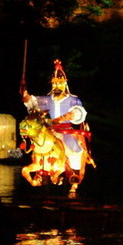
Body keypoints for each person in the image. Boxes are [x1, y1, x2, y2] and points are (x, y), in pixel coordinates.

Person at [21, 59, 93, 192]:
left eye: (59, 83)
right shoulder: (47, 99)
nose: (56, 86)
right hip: (50, 130)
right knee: (38, 144)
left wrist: (66, 117)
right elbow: (32, 103)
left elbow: (78, 112)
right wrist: (25, 95)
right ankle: (39, 170)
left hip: (66, 130)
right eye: (54, 84)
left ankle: (74, 176)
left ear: (65, 84)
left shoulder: (72, 99)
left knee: (75, 151)